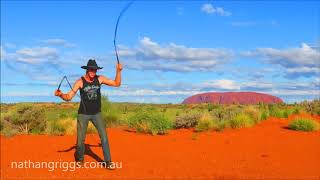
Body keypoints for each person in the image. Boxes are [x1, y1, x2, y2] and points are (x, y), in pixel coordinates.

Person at [54, 59, 122, 170]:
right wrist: (60, 95)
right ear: (87, 70)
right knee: (80, 140)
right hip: (83, 114)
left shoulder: (100, 79)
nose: (93, 72)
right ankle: (80, 159)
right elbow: (69, 97)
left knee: (104, 137)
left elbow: (116, 83)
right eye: (91, 69)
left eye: (94, 70)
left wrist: (118, 71)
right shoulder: (80, 82)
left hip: (97, 114)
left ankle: (108, 162)